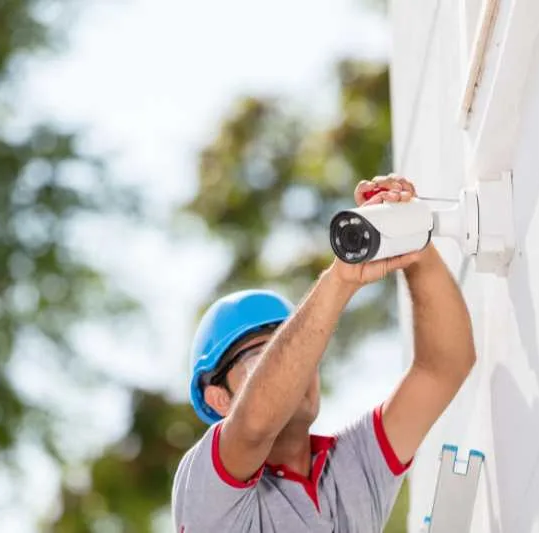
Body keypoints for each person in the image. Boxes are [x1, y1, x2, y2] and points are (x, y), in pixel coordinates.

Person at [172, 175, 476, 533]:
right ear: (220, 399)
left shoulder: (352, 467)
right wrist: (342, 277)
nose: (295, 373)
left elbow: (444, 367)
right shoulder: (209, 493)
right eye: (261, 359)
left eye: (298, 353)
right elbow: (255, 425)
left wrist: (410, 238)